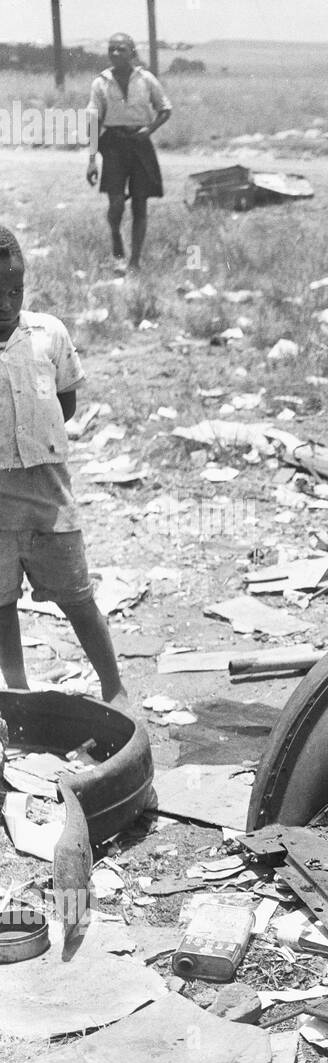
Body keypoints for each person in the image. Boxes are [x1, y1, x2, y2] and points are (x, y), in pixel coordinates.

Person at [0, 226, 126, 705]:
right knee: (1, 603)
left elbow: (65, 402)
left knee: (76, 595)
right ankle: (15, 691)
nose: (7, 303)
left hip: (48, 497)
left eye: (15, 290)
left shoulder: (48, 333)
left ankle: (114, 687)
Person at [85, 33, 172, 272]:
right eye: (111, 49)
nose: (115, 54)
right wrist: (92, 160)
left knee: (140, 204)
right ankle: (115, 237)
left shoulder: (146, 79)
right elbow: (93, 122)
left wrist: (149, 129)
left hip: (140, 144)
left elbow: (165, 109)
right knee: (116, 204)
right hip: (113, 144)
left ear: (132, 52)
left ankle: (134, 261)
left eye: (121, 49)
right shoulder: (101, 82)